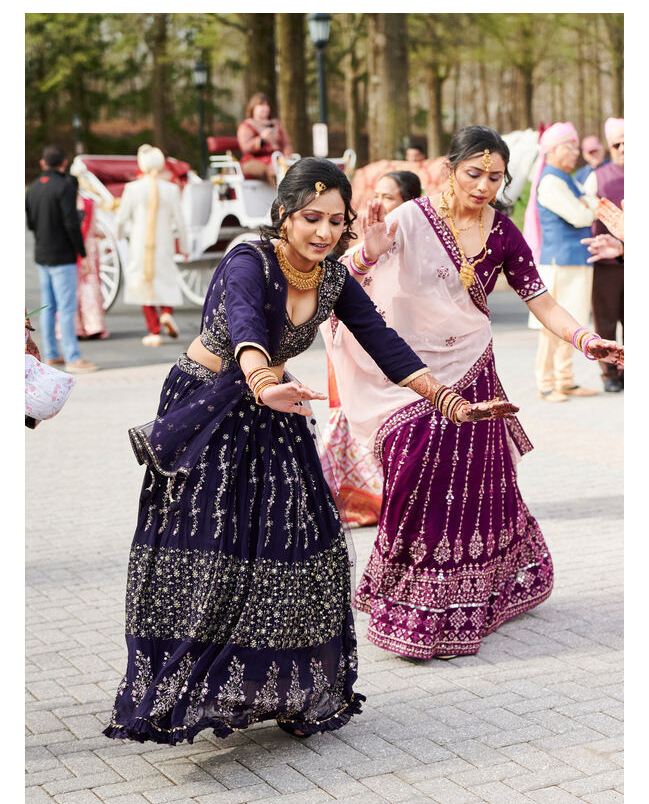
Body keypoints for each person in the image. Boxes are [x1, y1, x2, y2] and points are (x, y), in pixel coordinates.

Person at [103, 157, 518, 745]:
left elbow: (385, 343)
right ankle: (181, 691)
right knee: (213, 552)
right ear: (283, 215)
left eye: (335, 221)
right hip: (212, 405)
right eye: (310, 218)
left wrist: (448, 401)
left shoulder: (333, 279)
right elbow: (247, 328)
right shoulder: (247, 258)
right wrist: (265, 383)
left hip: (278, 406)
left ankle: (282, 687)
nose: (323, 232)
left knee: (307, 544)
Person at [328, 126, 623, 660]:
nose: (485, 185)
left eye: (495, 176)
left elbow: (540, 299)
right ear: (448, 169)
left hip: (473, 370)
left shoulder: (505, 233)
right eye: (474, 174)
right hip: (409, 372)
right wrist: (368, 254)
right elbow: (343, 283)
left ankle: (472, 597)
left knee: (479, 490)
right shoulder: (410, 219)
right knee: (416, 472)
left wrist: (586, 339)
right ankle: (410, 594)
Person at [320, 170, 422, 527]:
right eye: (374, 195)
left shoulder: (425, 249)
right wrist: (367, 255)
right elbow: (337, 292)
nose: (377, 204)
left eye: (389, 197)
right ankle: (365, 501)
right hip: (363, 360)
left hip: (408, 362)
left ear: (410, 205)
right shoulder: (358, 250)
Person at [522, 122, 598, 402]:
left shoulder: (568, 178)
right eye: (570, 146)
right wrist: (590, 208)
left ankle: (565, 380)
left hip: (576, 261)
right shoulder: (551, 180)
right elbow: (582, 215)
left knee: (573, 323)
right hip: (559, 263)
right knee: (552, 325)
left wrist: (589, 206)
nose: (575, 152)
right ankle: (546, 383)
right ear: (552, 150)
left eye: (576, 145)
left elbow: (591, 204)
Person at [25, 145, 98, 374]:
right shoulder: (65, 186)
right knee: (66, 308)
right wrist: (82, 254)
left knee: (48, 306)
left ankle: (52, 354)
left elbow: (31, 224)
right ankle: (73, 357)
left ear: (42, 163)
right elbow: (70, 224)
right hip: (63, 255)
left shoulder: (33, 188)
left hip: (42, 254)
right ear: (64, 163)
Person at [115, 145, 189, 347]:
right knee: (166, 278)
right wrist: (184, 246)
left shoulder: (133, 189)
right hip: (164, 242)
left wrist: (119, 235)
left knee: (143, 281)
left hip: (140, 242)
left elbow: (121, 219)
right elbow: (180, 223)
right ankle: (167, 313)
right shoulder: (171, 189)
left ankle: (154, 330)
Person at [582, 118, 624, 392]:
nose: (624, 148)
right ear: (610, 147)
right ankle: (610, 374)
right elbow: (583, 213)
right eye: (618, 144)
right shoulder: (598, 176)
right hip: (606, 263)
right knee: (606, 319)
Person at [237, 93, 293, 185]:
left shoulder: (276, 124)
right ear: (253, 108)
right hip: (253, 160)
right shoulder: (247, 126)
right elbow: (246, 147)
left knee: (293, 167)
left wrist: (287, 156)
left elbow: (286, 144)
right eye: (261, 105)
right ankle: (280, 196)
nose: (265, 108)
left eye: (267, 105)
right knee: (273, 170)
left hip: (277, 159)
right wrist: (261, 139)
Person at [75, 193, 109, 339]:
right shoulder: (89, 203)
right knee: (90, 285)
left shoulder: (63, 201)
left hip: (71, 248)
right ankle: (93, 325)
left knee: (74, 288)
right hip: (89, 247)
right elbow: (93, 227)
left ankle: (76, 326)